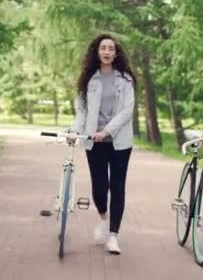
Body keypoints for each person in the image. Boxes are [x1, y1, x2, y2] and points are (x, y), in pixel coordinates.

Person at [70, 33, 136, 255]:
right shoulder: (88, 79)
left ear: (116, 53)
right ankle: (103, 218)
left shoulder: (125, 80)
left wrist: (106, 131)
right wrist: (74, 131)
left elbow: (128, 111)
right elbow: (82, 111)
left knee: (117, 187)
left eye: (111, 48)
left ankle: (114, 235)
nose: (107, 51)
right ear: (96, 52)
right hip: (93, 142)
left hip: (120, 143)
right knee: (99, 189)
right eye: (103, 48)